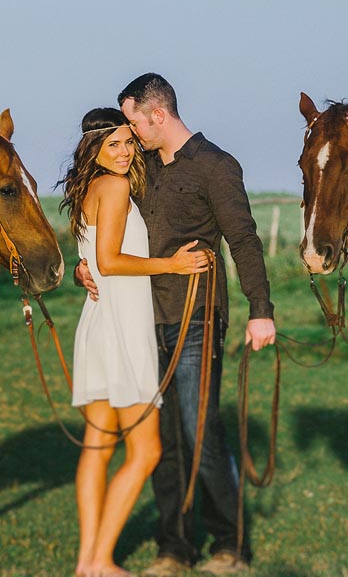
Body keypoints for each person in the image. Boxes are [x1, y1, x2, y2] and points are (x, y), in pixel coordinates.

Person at [76, 74, 275, 576]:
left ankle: (230, 544)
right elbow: (108, 231)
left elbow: (244, 240)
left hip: (197, 317)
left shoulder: (216, 166)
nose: (131, 132)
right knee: (161, 441)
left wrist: (261, 310)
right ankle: (174, 547)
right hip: (141, 320)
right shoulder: (136, 166)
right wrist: (86, 266)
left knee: (201, 431)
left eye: (135, 121)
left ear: (157, 115)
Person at [60, 107, 210, 577]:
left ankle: (87, 561)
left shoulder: (88, 189)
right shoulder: (117, 185)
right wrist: (172, 265)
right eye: (114, 145)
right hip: (123, 326)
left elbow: (90, 259)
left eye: (128, 142)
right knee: (145, 451)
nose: (125, 152)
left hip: (98, 321)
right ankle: (100, 560)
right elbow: (107, 259)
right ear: (95, 150)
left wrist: (84, 268)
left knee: (97, 448)